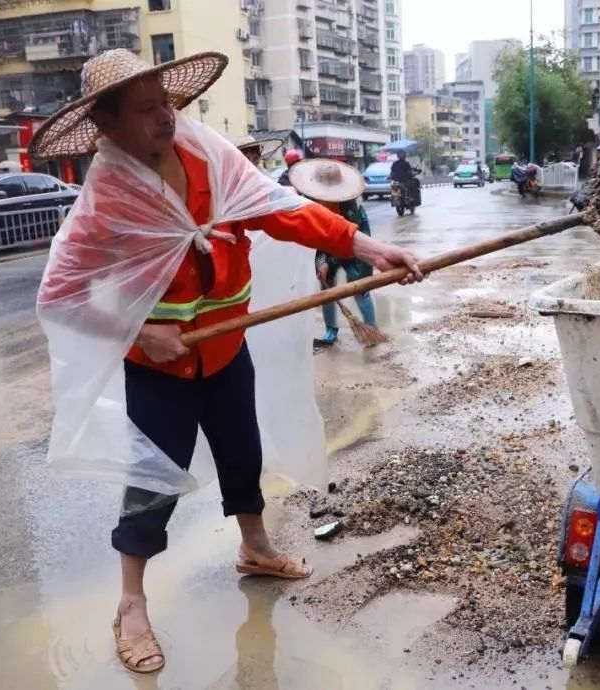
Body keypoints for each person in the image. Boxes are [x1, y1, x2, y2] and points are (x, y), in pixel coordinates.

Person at [28, 49, 424, 675]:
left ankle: (255, 548)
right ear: (107, 125)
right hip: (161, 368)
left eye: (168, 101)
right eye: (148, 108)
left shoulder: (207, 155)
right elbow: (62, 295)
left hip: (225, 350)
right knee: (152, 483)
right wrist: (141, 334)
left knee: (243, 450)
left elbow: (280, 208)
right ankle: (131, 604)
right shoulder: (106, 201)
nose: (168, 116)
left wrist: (369, 248)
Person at [287, 159, 377, 347]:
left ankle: (371, 329)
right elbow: (314, 236)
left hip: (355, 248)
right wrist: (321, 260)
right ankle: (331, 330)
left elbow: (351, 240)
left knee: (359, 287)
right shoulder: (311, 204)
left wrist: (330, 259)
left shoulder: (351, 207)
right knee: (327, 287)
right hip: (327, 248)